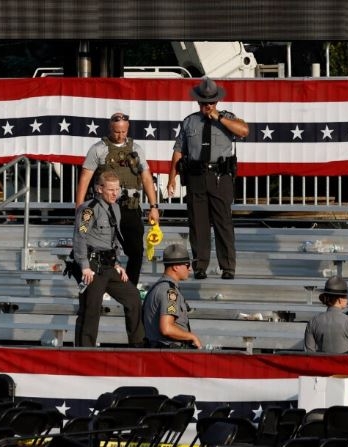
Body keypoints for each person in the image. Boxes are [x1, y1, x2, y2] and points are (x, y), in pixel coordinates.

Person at [167, 77, 249, 280]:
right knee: (198, 223)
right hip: (196, 175)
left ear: (217, 102)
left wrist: (219, 117)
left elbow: (244, 131)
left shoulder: (227, 118)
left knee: (223, 222)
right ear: (198, 102)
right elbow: (179, 151)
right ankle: (200, 265)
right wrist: (172, 178)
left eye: (211, 102)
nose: (207, 106)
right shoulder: (190, 121)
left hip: (220, 176)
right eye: (204, 103)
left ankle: (227, 266)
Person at [76, 112, 160, 287]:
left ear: (127, 129)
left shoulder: (136, 149)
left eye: (123, 132)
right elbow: (85, 177)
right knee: (102, 250)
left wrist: (154, 206)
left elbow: (146, 178)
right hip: (104, 208)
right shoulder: (98, 149)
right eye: (116, 132)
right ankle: (101, 286)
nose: (120, 135)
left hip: (130, 206)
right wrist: (79, 206)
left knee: (136, 252)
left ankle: (128, 288)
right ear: (110, 128)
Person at [73, 169, 146, 348]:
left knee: (133, 297)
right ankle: (84, 352)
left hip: (108, 264)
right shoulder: (88, 210)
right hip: (92, 264)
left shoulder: (115, 207)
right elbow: (79, 238)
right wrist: (84, 266)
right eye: (111, 190)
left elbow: (114, 239)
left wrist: (118, 264)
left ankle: (138, 345)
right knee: (91, 309)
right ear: (99, 189)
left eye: (117, 189)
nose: (115, 193)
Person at [142, 244, 202, 349]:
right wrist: (192, 337)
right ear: (176, 267)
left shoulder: (157, 287)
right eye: (187, 265)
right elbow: (167, 328)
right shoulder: (170, 292)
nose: (190, 269)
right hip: (169, 352)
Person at [304, 276, 348, 355]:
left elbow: (309, 355)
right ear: (340, 300)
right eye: (346, 297)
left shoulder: (313, 322)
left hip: (322, 366)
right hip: (345, 366)